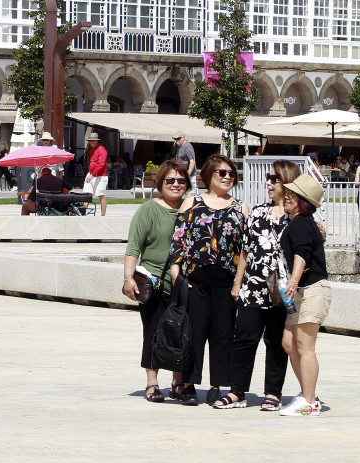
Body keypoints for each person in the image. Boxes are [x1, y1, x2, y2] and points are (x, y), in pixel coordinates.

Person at [214, 160, 301, 411]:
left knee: (276, 342)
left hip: (282, 293)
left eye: (274, 178)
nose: (269, 183)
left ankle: (273, 393)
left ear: (287, 182)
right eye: (268, 178)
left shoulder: (297, 217)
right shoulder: (258, 212)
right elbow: (245, 251)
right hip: (253, 288)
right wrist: (237, 283)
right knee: (244, 339)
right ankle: (237, 392)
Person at [169, 154, 248, 406]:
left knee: (222, 334)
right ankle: (189, 384)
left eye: (231, 174)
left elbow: (246, 248)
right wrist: (176, 272)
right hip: (196, 281)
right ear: (208, 176)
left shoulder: (240, 207)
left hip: (226, 282)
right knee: (194, 333)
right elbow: (178, 238)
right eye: (221, 173)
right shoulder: (192, 201)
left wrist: (238, 281)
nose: (227, 177)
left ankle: (217, 385)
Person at [123, 160, 190, 402]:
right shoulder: (148, 210)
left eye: (181, 181)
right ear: (160, 183)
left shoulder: (192, 209)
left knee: (182, 335)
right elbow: (133, 248)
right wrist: (128, 278)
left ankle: (178, 382)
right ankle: (152, 383)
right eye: (170, 180)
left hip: (185, 284)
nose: (175, 184)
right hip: (155, 283)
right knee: (153, 333)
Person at [279, 174, 331, 417]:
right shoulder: (302, 222)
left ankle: (309, 401)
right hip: (301, 291)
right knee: (289, 343)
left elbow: (301, 255)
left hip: (311, 289)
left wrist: (293, 280)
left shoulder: (301, 223)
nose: (286, 197)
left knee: (305, 345)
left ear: (303, 200)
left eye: (292, 194)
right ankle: (307, 393)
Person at [82, 132, 108, 216]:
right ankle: (82, 214)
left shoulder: (102, 150)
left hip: (100, 176)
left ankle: (103, 216)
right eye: (90, 141)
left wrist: (92, 174)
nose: (91, 142)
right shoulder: (92, 150)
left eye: (93, 141)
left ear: (97, 141)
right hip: (91, 174)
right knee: (86, 194)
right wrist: (91, 174)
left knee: (100, 195)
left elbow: (102, 164)